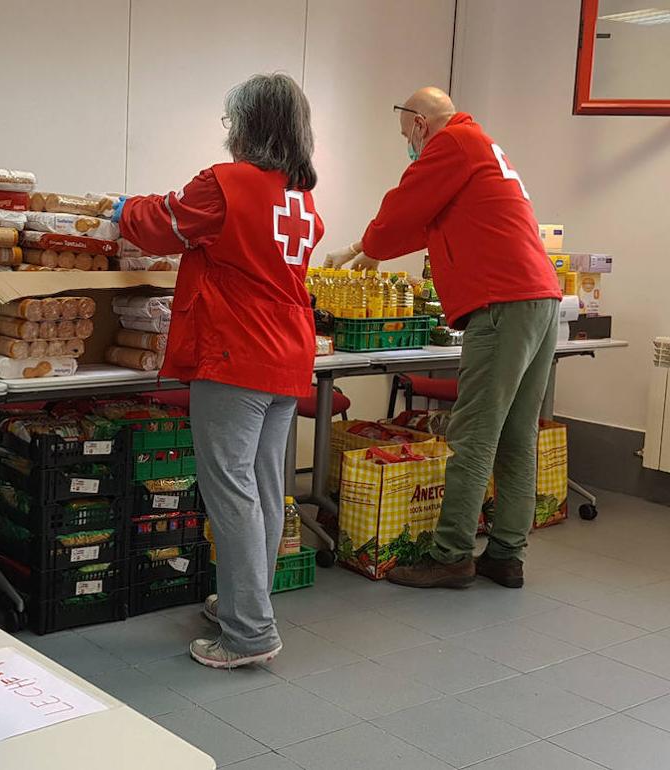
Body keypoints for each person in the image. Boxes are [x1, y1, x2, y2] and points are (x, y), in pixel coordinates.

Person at [114, 73, 322, 668]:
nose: (228, 132)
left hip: (237, 354)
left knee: (231, 492)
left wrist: (120, 208)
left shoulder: (226, 184)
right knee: (264, 489)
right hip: (286, 355)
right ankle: (243, 601)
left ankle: (250, 632)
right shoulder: (300, 197)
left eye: (234, 121)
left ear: (249, 125)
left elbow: (162, 224)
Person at [325, 87, 562, 589]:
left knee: (473, 434)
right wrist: (371, 252)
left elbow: (403, 207)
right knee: (517, 437)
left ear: (418, 125)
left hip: (502, 301)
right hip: (539, 298)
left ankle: (451, 554)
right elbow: (428, 222)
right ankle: (506, 555)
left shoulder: (450, 145)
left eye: (406, 137)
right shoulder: (481, 146)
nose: (408, 147)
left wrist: (360, 245)